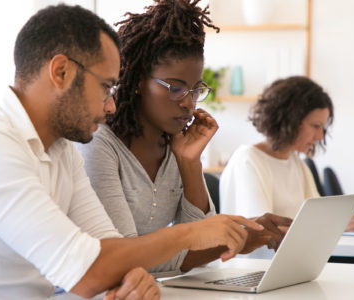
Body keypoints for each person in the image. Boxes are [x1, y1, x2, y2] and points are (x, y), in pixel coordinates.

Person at [0, 5, 264, 300]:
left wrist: (133, 281)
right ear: (60, 72)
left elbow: (110, 249)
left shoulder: (62, 149)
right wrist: (191, 234)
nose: (110, 107)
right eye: (105, 87)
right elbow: (88, 273)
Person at [76, 0, 292, 276]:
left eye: (196, 90)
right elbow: (124, 257)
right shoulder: (98, 145)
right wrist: (242, 238)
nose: (189, 103)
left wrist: (189, 163)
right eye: (176, 89)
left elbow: (206, 243)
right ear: (140, 81)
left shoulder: (175, 144)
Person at [220, 76, 354, 232]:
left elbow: (320, 219)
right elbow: (262, 232)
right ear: (289, 121)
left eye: (322, 128)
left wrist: (353, 220)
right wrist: (337, 227)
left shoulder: (295, 161)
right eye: (315, 126)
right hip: (262, 259)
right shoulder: (248, 160)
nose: (320, 136)